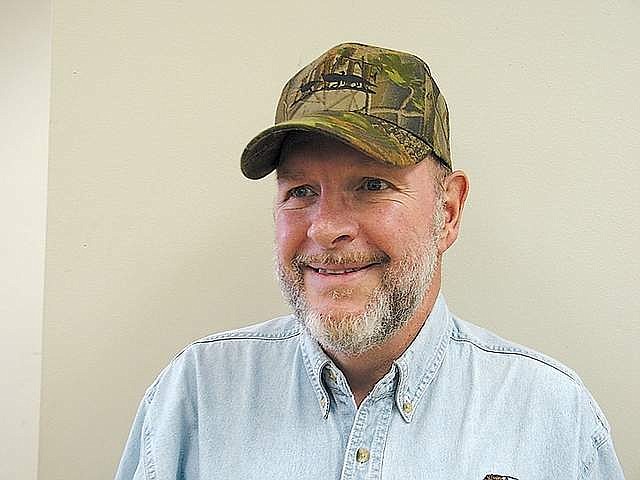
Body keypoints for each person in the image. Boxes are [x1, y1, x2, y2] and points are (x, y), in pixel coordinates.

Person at [115, 43, 625, 479]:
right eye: (300, 190)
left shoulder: (551, 415)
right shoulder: (197, 395)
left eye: (373, 185)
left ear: (447, 211)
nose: (325, 228)